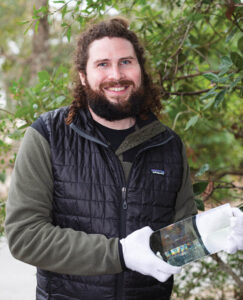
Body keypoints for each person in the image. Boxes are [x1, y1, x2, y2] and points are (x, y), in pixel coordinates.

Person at [5, 17, 243, 300]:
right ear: (83, 75)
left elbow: (175, 244)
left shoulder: (168, 145)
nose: (116, 75)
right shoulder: (48, 136)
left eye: (126, 62)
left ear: (140, 69)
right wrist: (120, 254)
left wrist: (214, 233)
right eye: (102, 64)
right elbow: (25, 237)